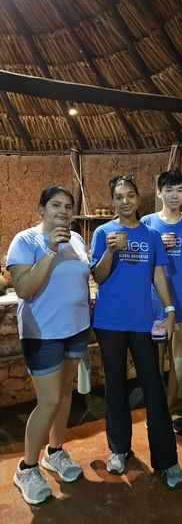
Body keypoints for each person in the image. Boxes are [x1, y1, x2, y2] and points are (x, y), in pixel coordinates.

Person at [91, 175, 182, 489]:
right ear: (114, 200)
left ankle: (167, 461)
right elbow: (100, 277)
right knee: (115, 386)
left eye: (130, 195)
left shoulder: (151, 235)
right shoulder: (103, 232)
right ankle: (119, 449)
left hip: (143, 323)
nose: (125, 201)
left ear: (138, 198)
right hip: (110, 323)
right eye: (119, 197)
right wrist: (109, 253)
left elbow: (158, 275)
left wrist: (170, 309)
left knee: (154, 388)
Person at [7, 186, 91, 505]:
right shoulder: (26, 241)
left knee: (65, 392)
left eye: (68, 206)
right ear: (41, 209)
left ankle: (54, 452)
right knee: (49, 400)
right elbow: (25, 289)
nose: (63, 211)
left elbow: (84, 277)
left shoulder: (78, 239)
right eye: (55, 205)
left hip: (76, 329)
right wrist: (51, 251)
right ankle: (26, 466)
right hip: (42, 333)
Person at [141, 169, 182, 436]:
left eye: (179, 189)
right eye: (168, 189)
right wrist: (158, 248)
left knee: (180, 361)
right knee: (153, 361)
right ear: (159, 193)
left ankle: (179, 412)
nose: (174, 195)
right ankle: (156, 412)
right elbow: (140, 266)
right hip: (155, 308)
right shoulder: (146, 223)